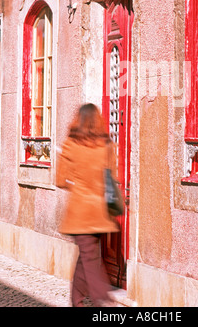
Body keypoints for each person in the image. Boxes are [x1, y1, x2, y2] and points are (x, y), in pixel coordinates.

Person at [56, 103, 119, 307]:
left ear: (79, 120)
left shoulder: (71, 144)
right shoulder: (107, 145)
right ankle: (77, 301)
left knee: (88, 258)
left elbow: (60, 180)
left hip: (80, 212)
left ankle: (101, 300)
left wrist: (75, 181)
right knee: (87, 257)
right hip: (100, 211)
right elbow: (112, 176)